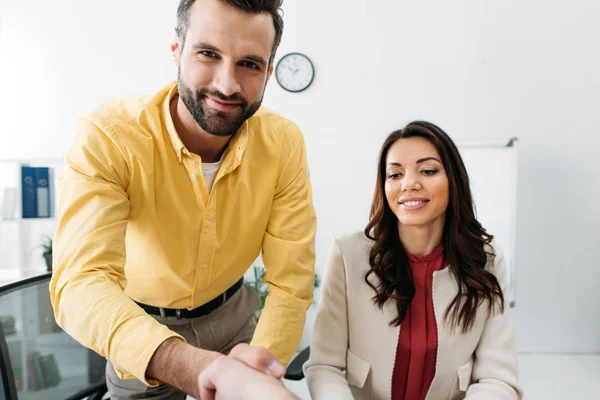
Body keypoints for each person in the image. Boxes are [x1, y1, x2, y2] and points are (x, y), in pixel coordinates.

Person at [49, 0, 317, 398]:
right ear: (177, 50)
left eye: (249, 64)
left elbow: (292, 278)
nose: (227, 85)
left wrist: (264, 356)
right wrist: (189, 363)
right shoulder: (108, 136)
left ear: (269, 72)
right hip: (142, 332)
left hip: (237, 320)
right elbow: (80, 282)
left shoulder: (284, 143)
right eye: (208, 54)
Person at [304, 121, 523, 399]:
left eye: (428, 170)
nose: (409, 184)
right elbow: (325, 366)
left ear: (453, 180)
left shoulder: (487, 261)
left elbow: (497, 379)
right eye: (395, 174)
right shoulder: (348, 254)